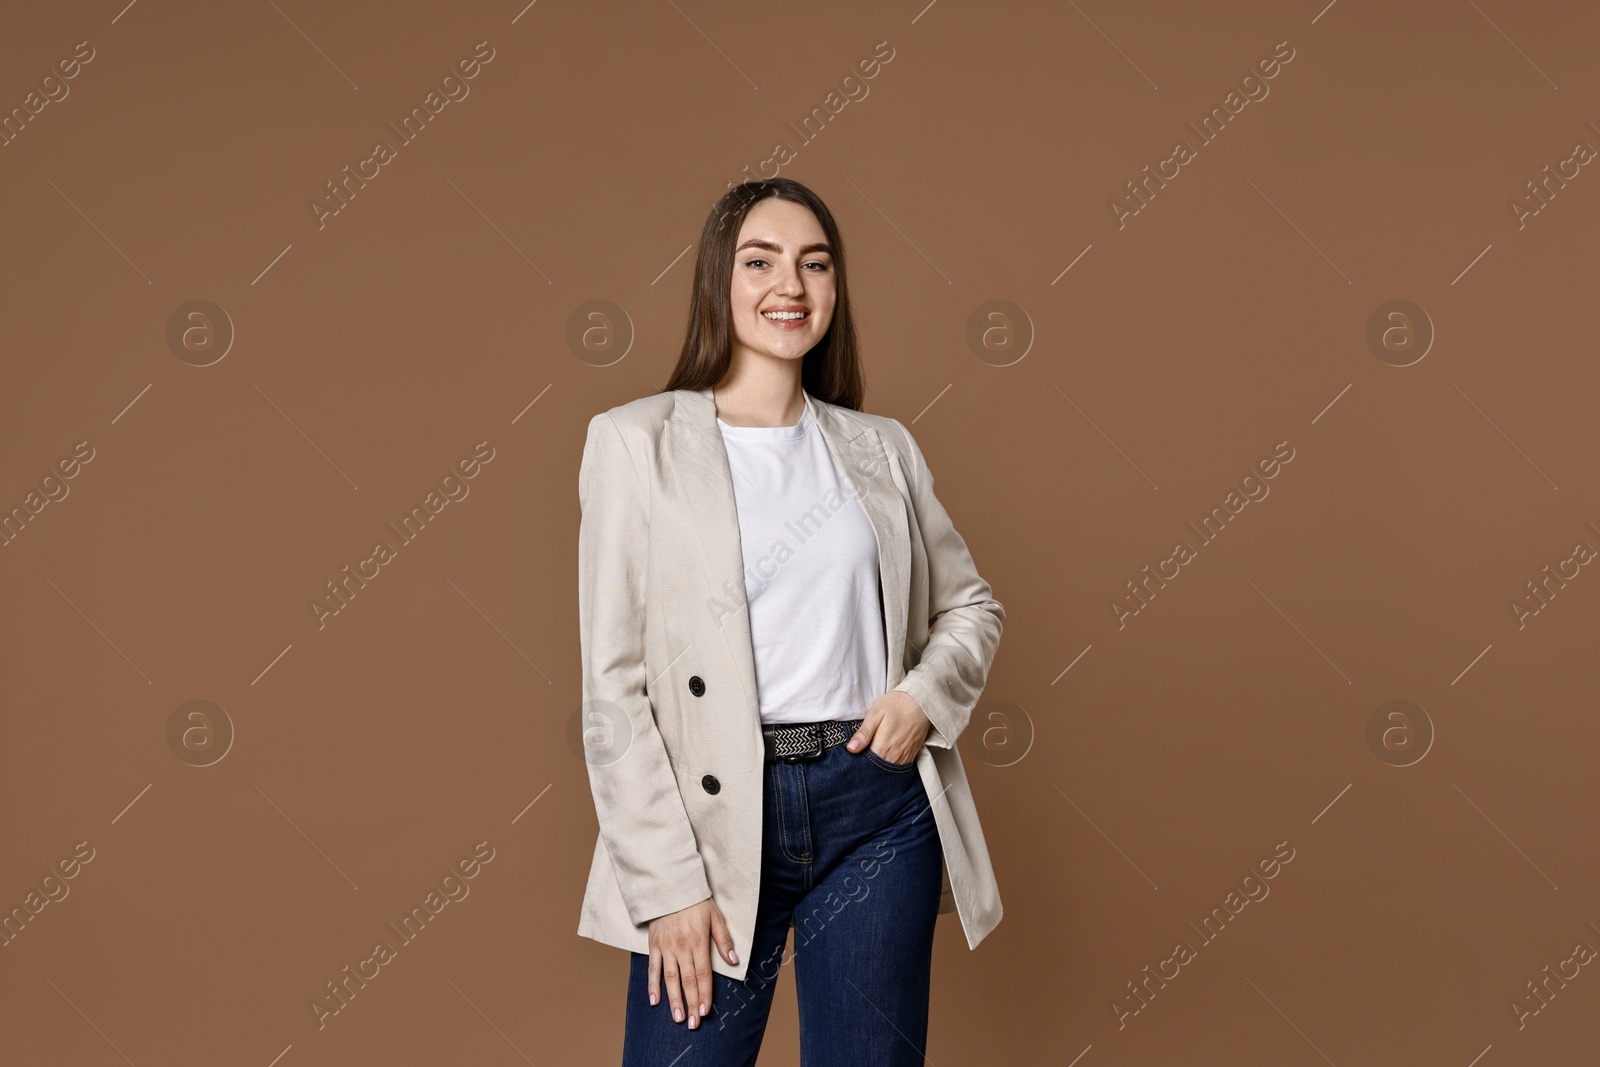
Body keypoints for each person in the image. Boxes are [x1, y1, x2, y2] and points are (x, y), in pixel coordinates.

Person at [575, 176, 1005, 1066]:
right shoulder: (635, 442)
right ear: (717, 283)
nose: (792, 287)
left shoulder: (881, 446)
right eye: (761, 261)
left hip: (876, 803)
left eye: (816, 263)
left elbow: (970, 605)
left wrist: (925, 694)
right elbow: (612, 687)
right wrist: (665, 886)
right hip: (710, 812)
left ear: (836, 288)